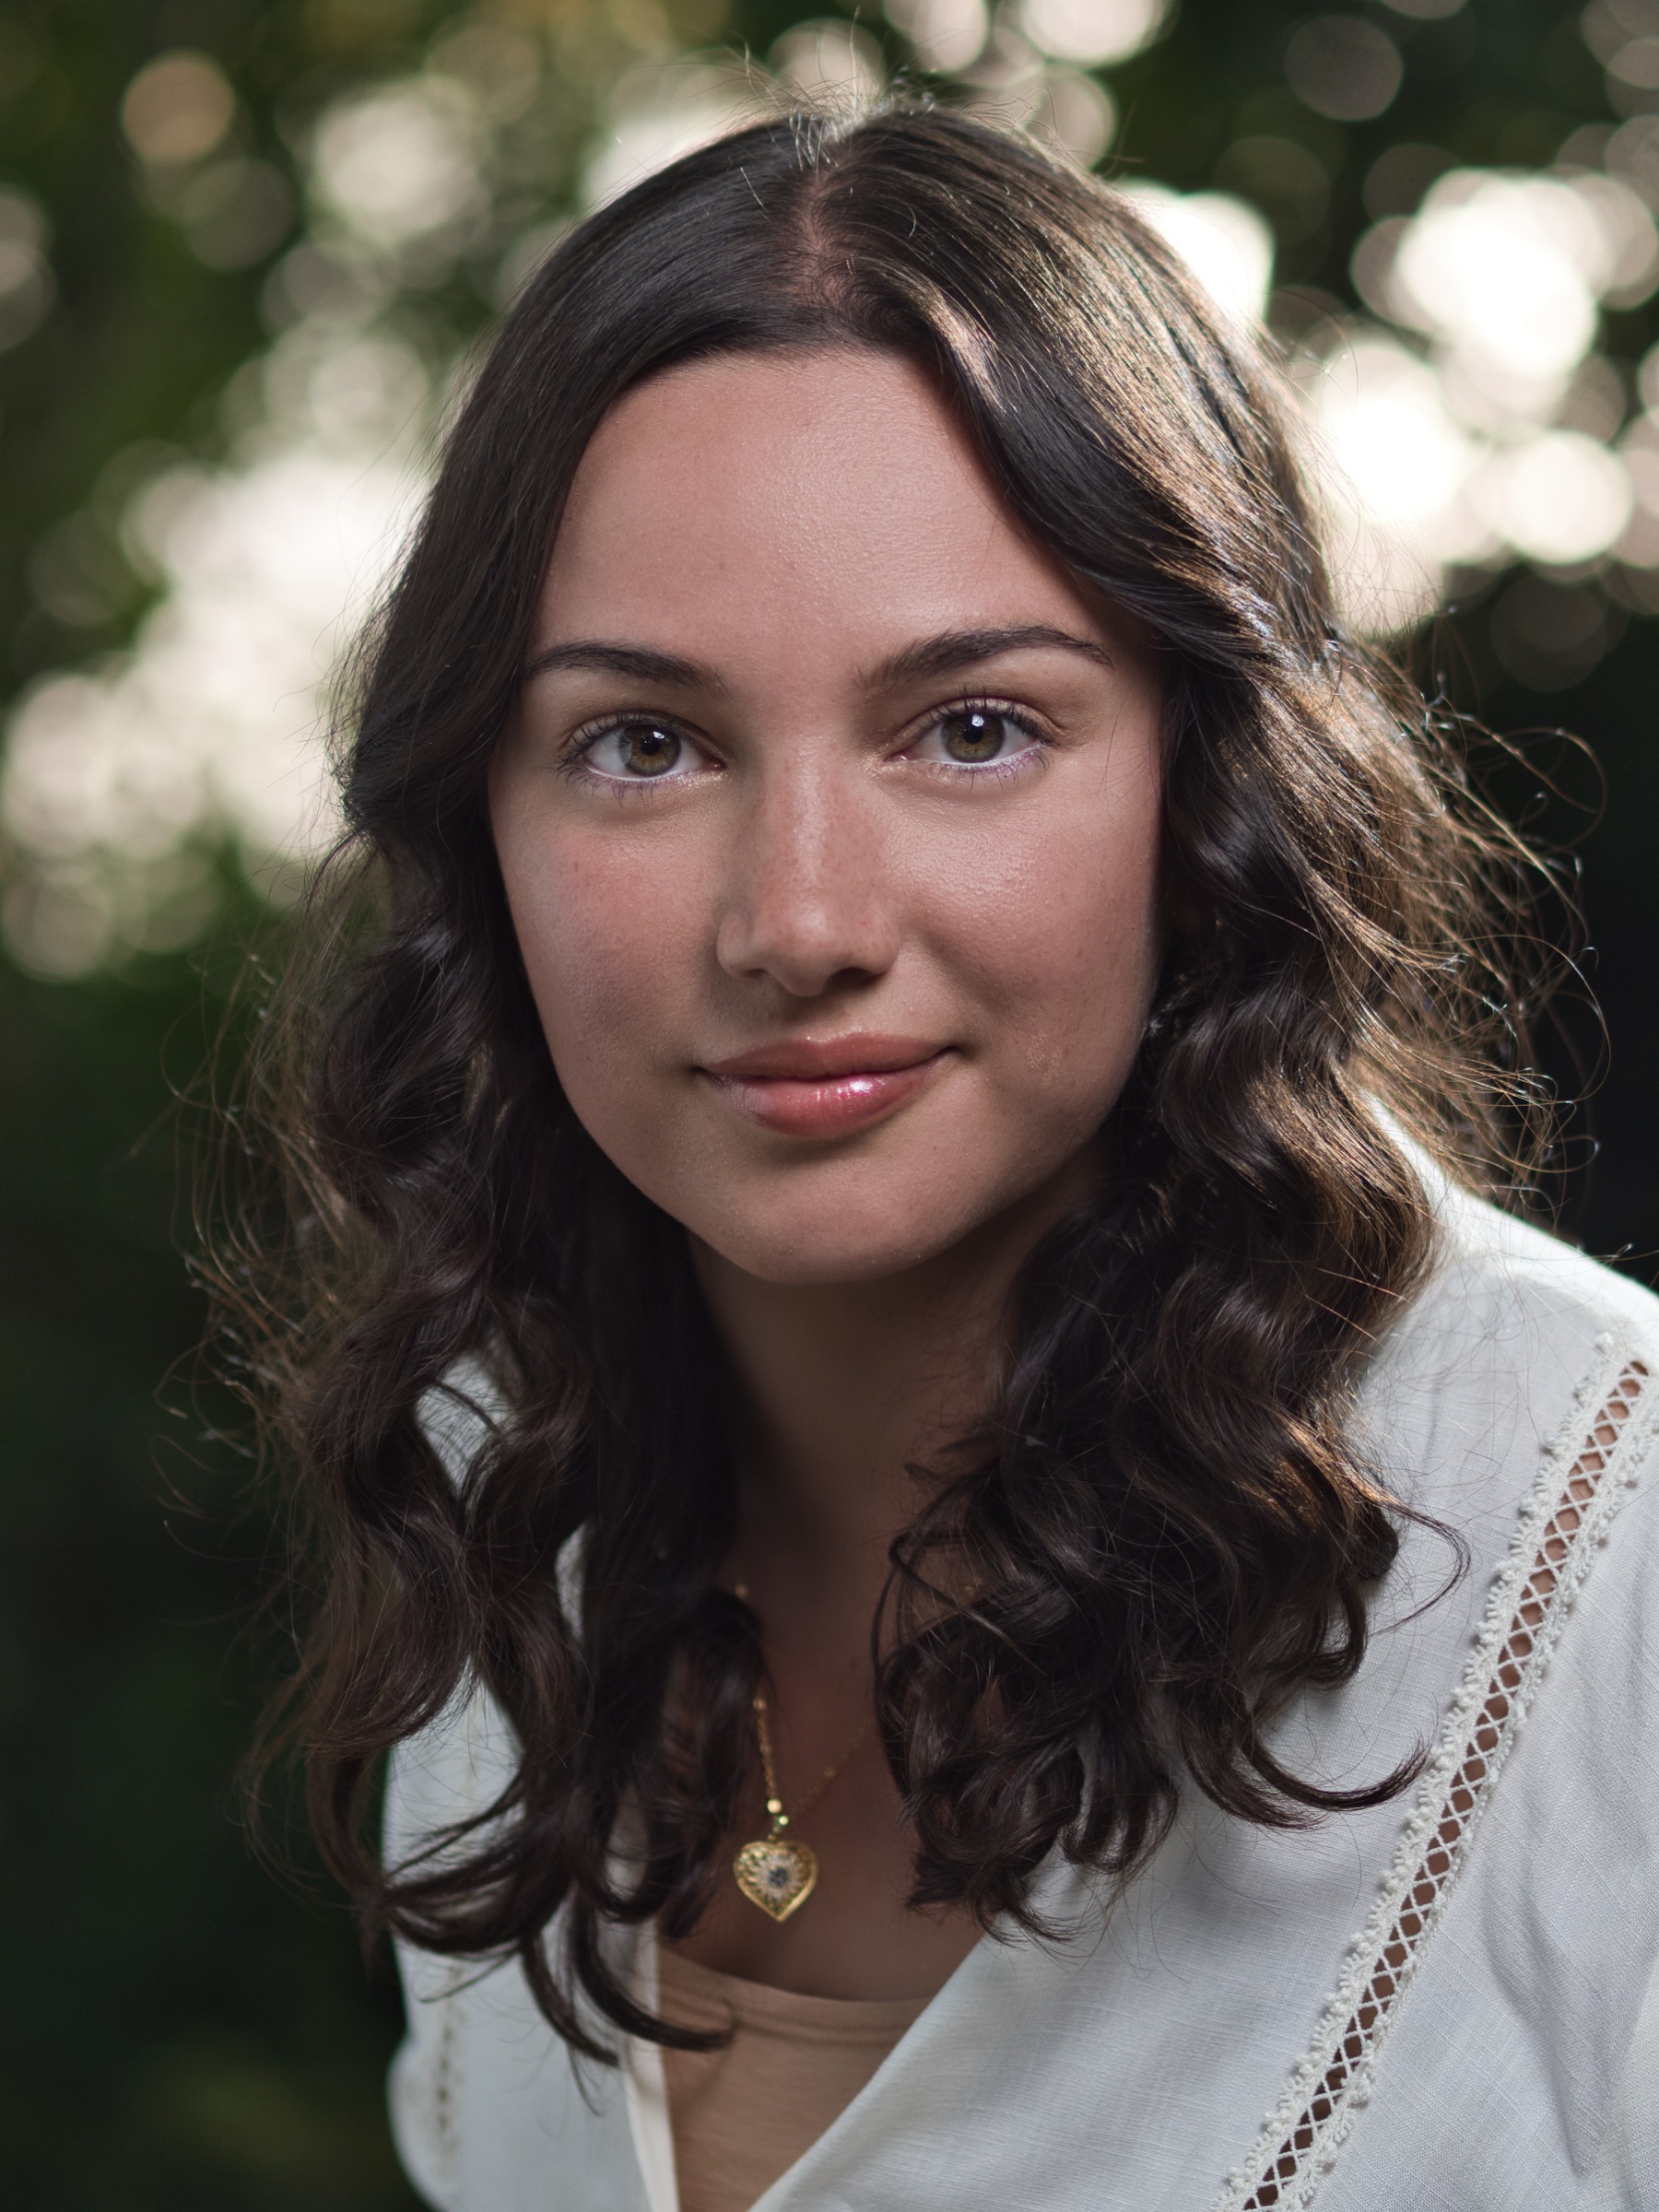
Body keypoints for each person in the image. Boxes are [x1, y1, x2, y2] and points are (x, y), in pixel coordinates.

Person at [219, 104, 1659, 2212]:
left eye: (970, 727)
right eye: (647, 742)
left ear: (1207, 782)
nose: (799, 920)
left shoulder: (1606, 1547)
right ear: (481, 829)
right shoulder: (501, 1482)